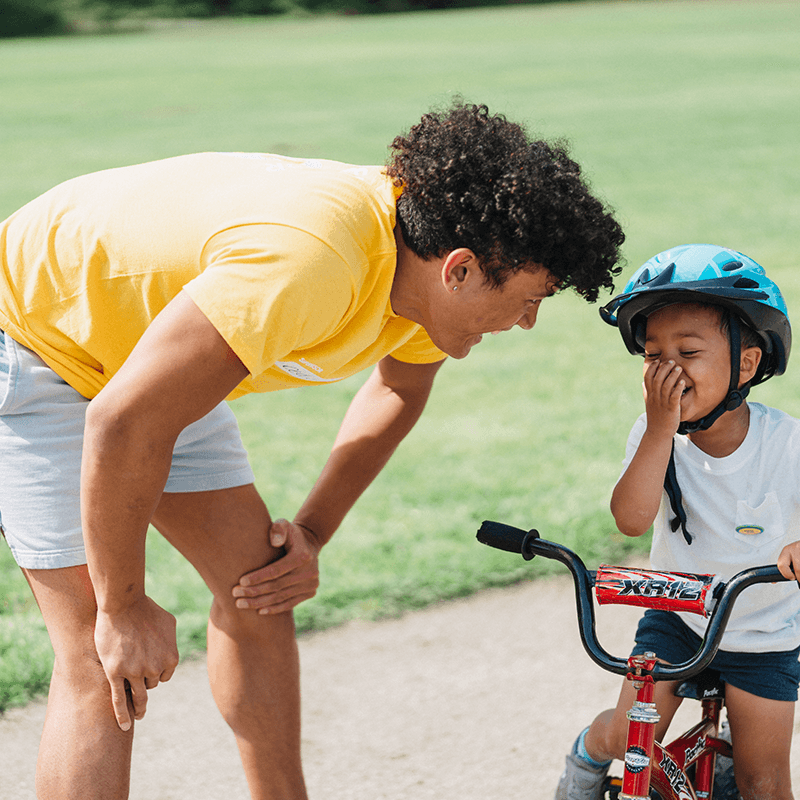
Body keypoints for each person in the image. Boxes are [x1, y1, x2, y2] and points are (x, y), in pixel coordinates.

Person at [0, 100, 624, 800]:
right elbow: (122, 422)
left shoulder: (424, 283)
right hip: (37, 337)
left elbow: (396, 391)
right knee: (97, 655)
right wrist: (123, 605)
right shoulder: (313, 259)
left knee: (261, 587)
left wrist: (312, 532)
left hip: (153, 361)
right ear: (462, 270)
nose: (527, 323)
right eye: (529, 299)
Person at [555, 243, 800, 800]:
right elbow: (631, 521)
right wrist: (660, 432)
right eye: (652, 354)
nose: (668, 368)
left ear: (746, 362)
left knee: (765, 783)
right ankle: (588, 752)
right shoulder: (652, 436)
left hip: (763, 632)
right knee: (629, 739)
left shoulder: (786, 442)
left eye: (688, 351)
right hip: (677, 618)